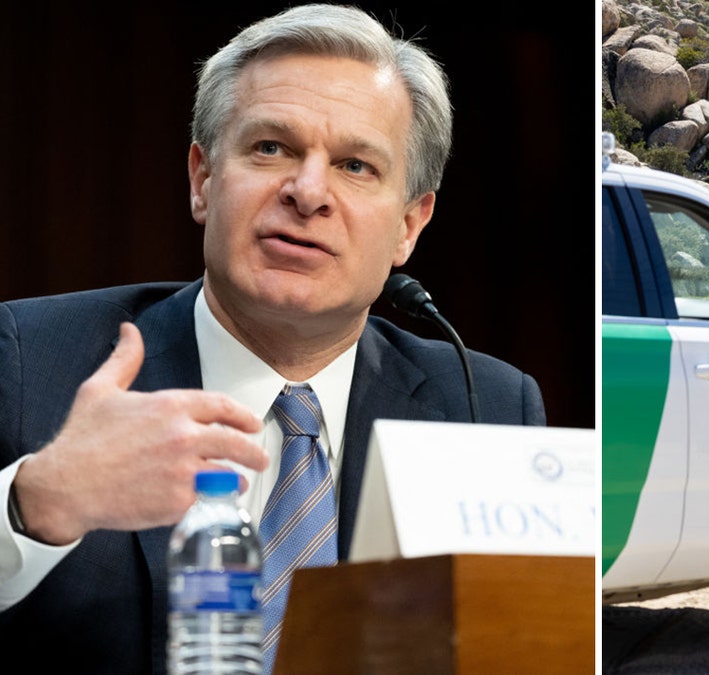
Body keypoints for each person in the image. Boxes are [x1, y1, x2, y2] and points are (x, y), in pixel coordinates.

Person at [0, 4, 545, 673]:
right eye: (271, 148)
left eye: (355, 166)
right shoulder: (29, 357)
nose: (308, 191)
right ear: (203, 179)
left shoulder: (485, 402)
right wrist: (39, 500)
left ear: (410, 223)